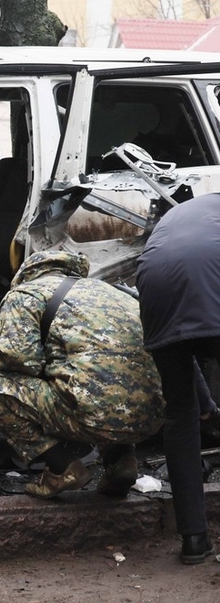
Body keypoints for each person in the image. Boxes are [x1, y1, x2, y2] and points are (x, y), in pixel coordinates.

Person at [0, 250, 164, 500]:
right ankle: (122, 462)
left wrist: (46, 368)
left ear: (26, 273)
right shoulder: (112, 292)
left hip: (92, 415)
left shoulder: (27, 293)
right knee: (106, 380)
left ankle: (61, 468)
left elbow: (16, 358)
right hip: (152, 417)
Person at [135, 192, 220, 565]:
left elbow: (185, 338)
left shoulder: (184, 214)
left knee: (179, 412)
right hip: (208, 278)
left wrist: (207, 408)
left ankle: (194, 541)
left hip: (154, 283)